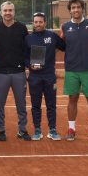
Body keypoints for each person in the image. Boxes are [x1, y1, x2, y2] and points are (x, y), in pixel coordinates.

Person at [60, 0, 88, 142]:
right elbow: (63, 44)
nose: (76, 10)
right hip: (71, 69)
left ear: (82, 9)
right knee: (72, 99)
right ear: (70, 10)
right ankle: (71, 129)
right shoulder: (65, 27)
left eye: (78, 7)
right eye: (73, 8)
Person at [0, 1, 31, 142]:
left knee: (21, 104)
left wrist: (27, 67)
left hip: (18, 72)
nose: (8, 13)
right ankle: (1, 131)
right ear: (1, 12)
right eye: (5, 10)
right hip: (0, 73)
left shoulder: (22, 28)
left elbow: (27, 49)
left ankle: (22, 130)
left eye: (10, 10)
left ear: (14, 12)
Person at [25, 12, 65, 141]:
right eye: (35, 22)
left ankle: (52, 129)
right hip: (34, 77)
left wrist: (64, 37)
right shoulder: (28, 38)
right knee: (35, 105)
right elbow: (24, 57)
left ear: (45, 23)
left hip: (49, 76)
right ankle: (37, 129)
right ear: (33, 24)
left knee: (51, 104)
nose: (38, 24)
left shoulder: (52, 35)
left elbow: (63, 47)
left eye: (40, 22)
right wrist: (30, 66)